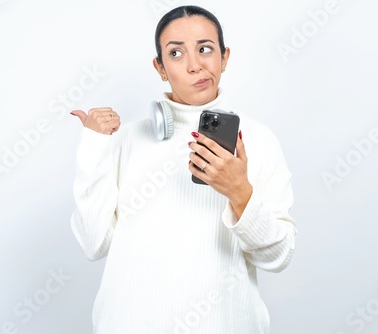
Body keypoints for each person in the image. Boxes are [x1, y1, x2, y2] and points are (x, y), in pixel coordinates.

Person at [70, 5, 297, 334]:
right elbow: (94, 245)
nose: (195, 65)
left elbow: (278, 256)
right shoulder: (126, 139)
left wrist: (239, 193)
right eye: (176, 53)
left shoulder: (258, 140)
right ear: (160, 68)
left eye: (205, 49)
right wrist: (94, 146)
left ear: (225, 57)